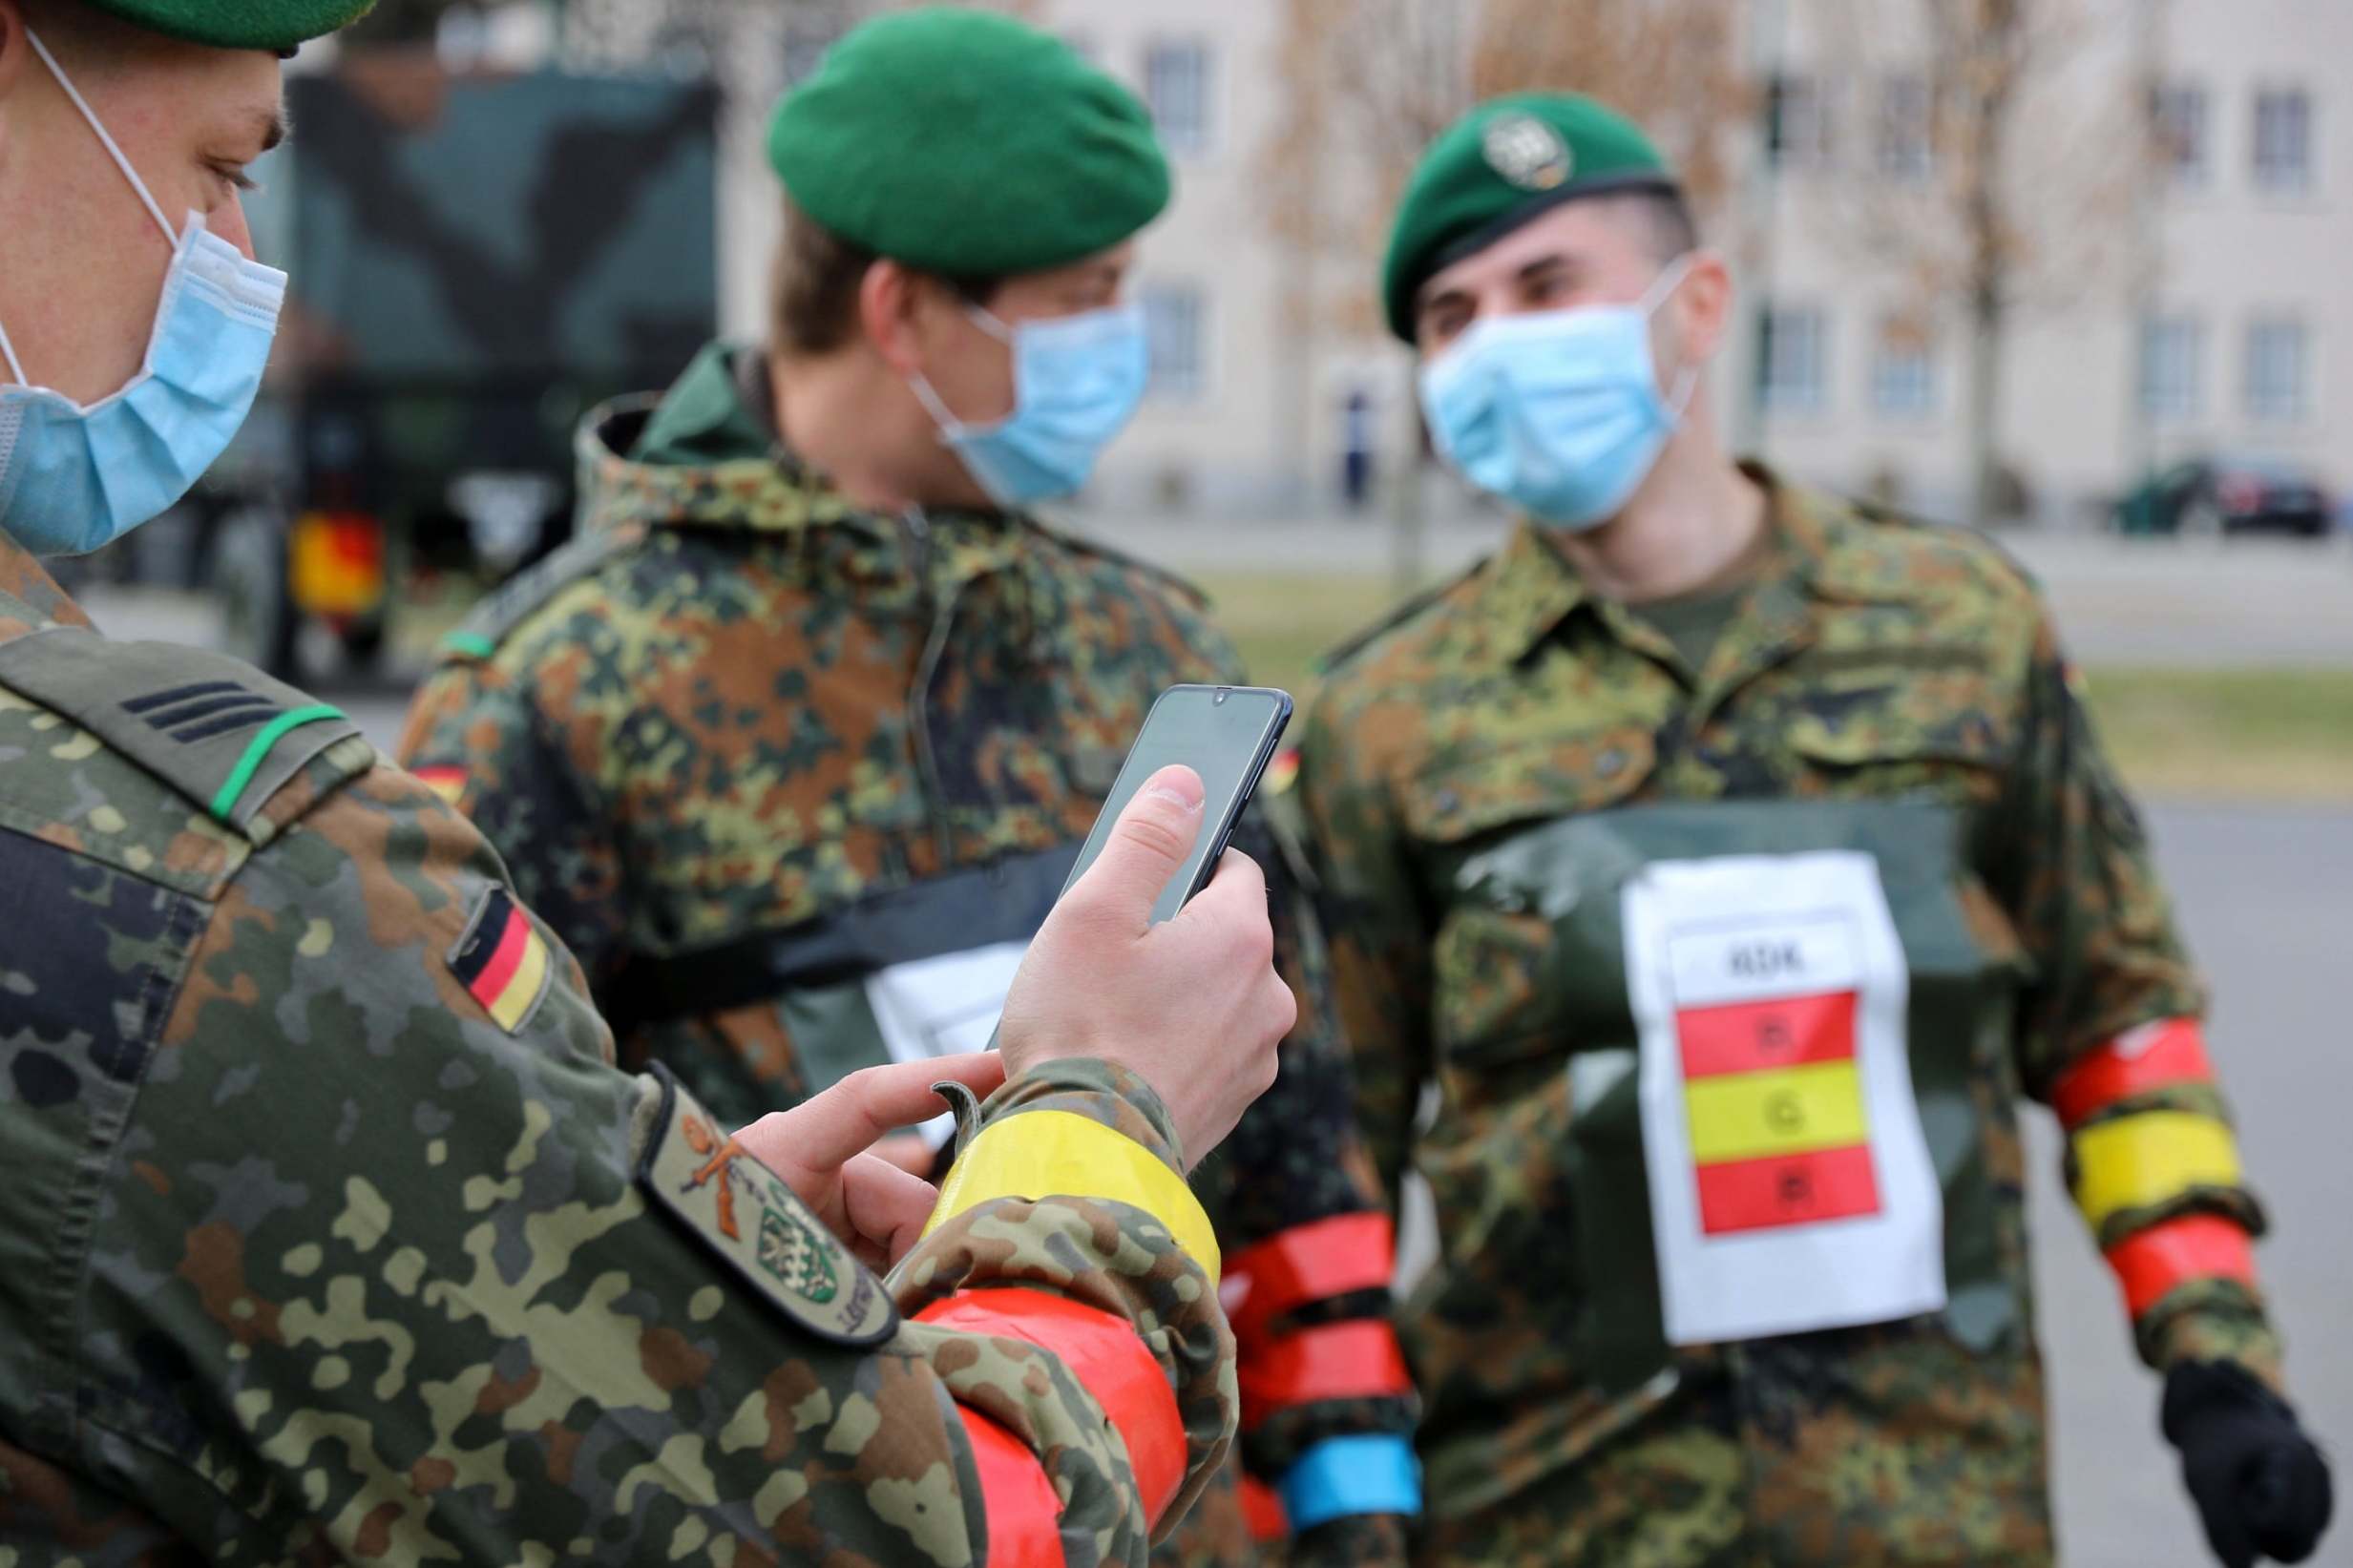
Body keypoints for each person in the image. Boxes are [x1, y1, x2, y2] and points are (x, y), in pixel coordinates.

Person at [0, 1, 1303, 1558]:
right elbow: (924, 1533)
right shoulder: (224, 868)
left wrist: (639, 1254)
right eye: (223, 169)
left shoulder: (1135, 625)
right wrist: (1100, 1109)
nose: (232, 260)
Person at [395, 10, 1418, 1564]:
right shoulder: (557, 684)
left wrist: (1352, 1500)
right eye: (1087, 302)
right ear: (901, 312)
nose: (1123, 345)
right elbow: (485, 1214)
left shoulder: (1139, 639)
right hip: (829, 1510)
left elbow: (1298, 1125)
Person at [1294, 93, 2334, 1568]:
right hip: (1547, 1512)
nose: (1493, 349)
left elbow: (2118, 1023)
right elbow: (1329, 1166)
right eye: (1449, 321)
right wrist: (1336, 1502)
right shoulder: (1380, 721)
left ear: (1695, 303)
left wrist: (2214, 1358)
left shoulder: (1957, 631)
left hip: (1927, 1505)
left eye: (1544, 289)